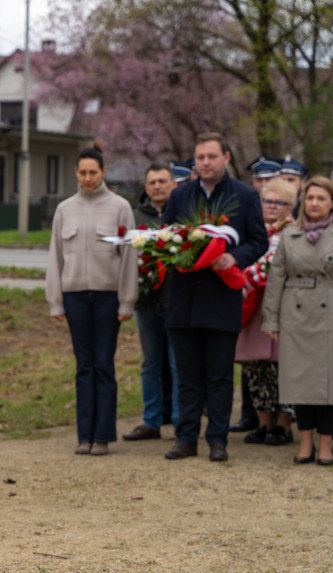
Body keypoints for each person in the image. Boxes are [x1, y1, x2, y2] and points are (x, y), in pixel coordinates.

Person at [162, 132, 269, 462]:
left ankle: (217, 440)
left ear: (225, 157)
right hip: (184, 298)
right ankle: (186, 437)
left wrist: (235, 257)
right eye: (199, 157)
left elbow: (259, 241)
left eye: (211, 156)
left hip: (223, 297)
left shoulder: (246, 195)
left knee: (220, 375)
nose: (204, 162)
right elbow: (164, 237)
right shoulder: (179, 197)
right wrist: (173, 250)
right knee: (188, 374)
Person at [45, 146, 137, 456]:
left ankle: (103, 436)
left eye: (93, 173)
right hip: (74, 298)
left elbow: (128, 258)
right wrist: (55, 302)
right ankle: (85, 435)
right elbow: (55, 257)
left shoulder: (121, 207)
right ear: (76, 172)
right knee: (84, 366)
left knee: (103, 364)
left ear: (103, 172)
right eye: (82, 172)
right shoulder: (64, 209)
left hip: (108, 297)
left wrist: (127, 301)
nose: (87, 178)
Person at [262, 176, 333, 465]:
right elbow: (276, 278)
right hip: (296, 314)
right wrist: (270, 319)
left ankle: (326, 444)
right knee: (300, 382)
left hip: (330, 312)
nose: (315, 203)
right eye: (311, 198)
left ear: (332, 204)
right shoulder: (289, 235)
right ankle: (305, 443)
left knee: (329, 383)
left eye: (322, 198)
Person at [236, 179, 297, 447]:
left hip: (284, 307)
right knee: (255, 365)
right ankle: (263, 423)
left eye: (279, 202)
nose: (272, 207)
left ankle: (283, 425)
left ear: (290, 207)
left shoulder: (296, 233)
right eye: (267, 201)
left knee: (283, 366)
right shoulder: (252, 231)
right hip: (252, 305)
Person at [124, 161, 179, 442]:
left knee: (177, 365)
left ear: (173, 184)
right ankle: (151, 421)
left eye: (162, 181)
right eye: (153, 182)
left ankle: (183, 422)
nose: (158, 186)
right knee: (150, 364)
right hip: (145, 303)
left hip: (176, 302)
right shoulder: (135, 217)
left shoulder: (181, 214)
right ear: (146, 188)